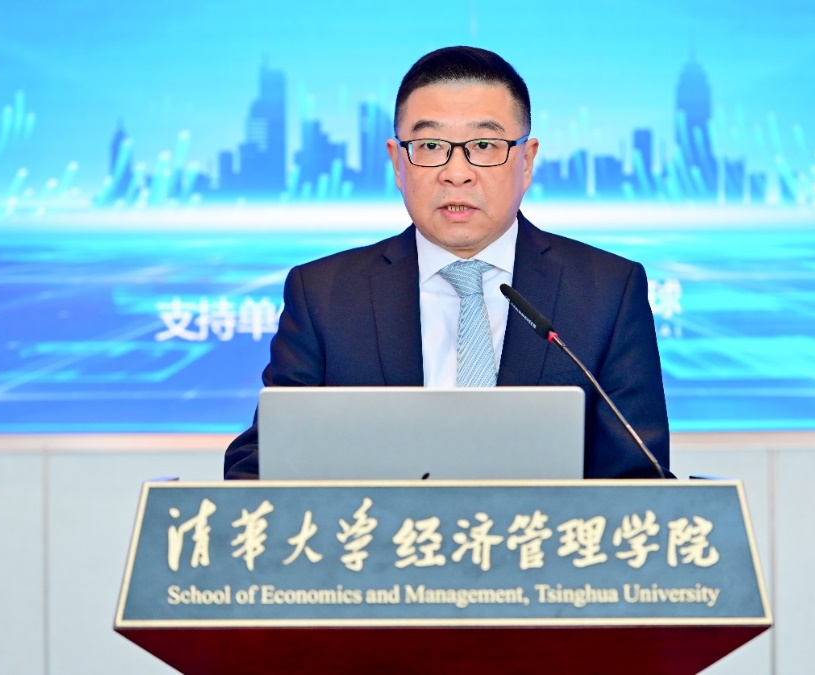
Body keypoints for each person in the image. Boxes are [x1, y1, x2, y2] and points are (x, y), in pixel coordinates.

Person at [224, 46, 670, 480]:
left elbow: (639, 480)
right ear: (398, 162)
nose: (457, 173)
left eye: (484, 144)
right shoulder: (324, 295)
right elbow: (264, 463)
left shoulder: (607, 292)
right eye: (431, 145)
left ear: (527, 160)